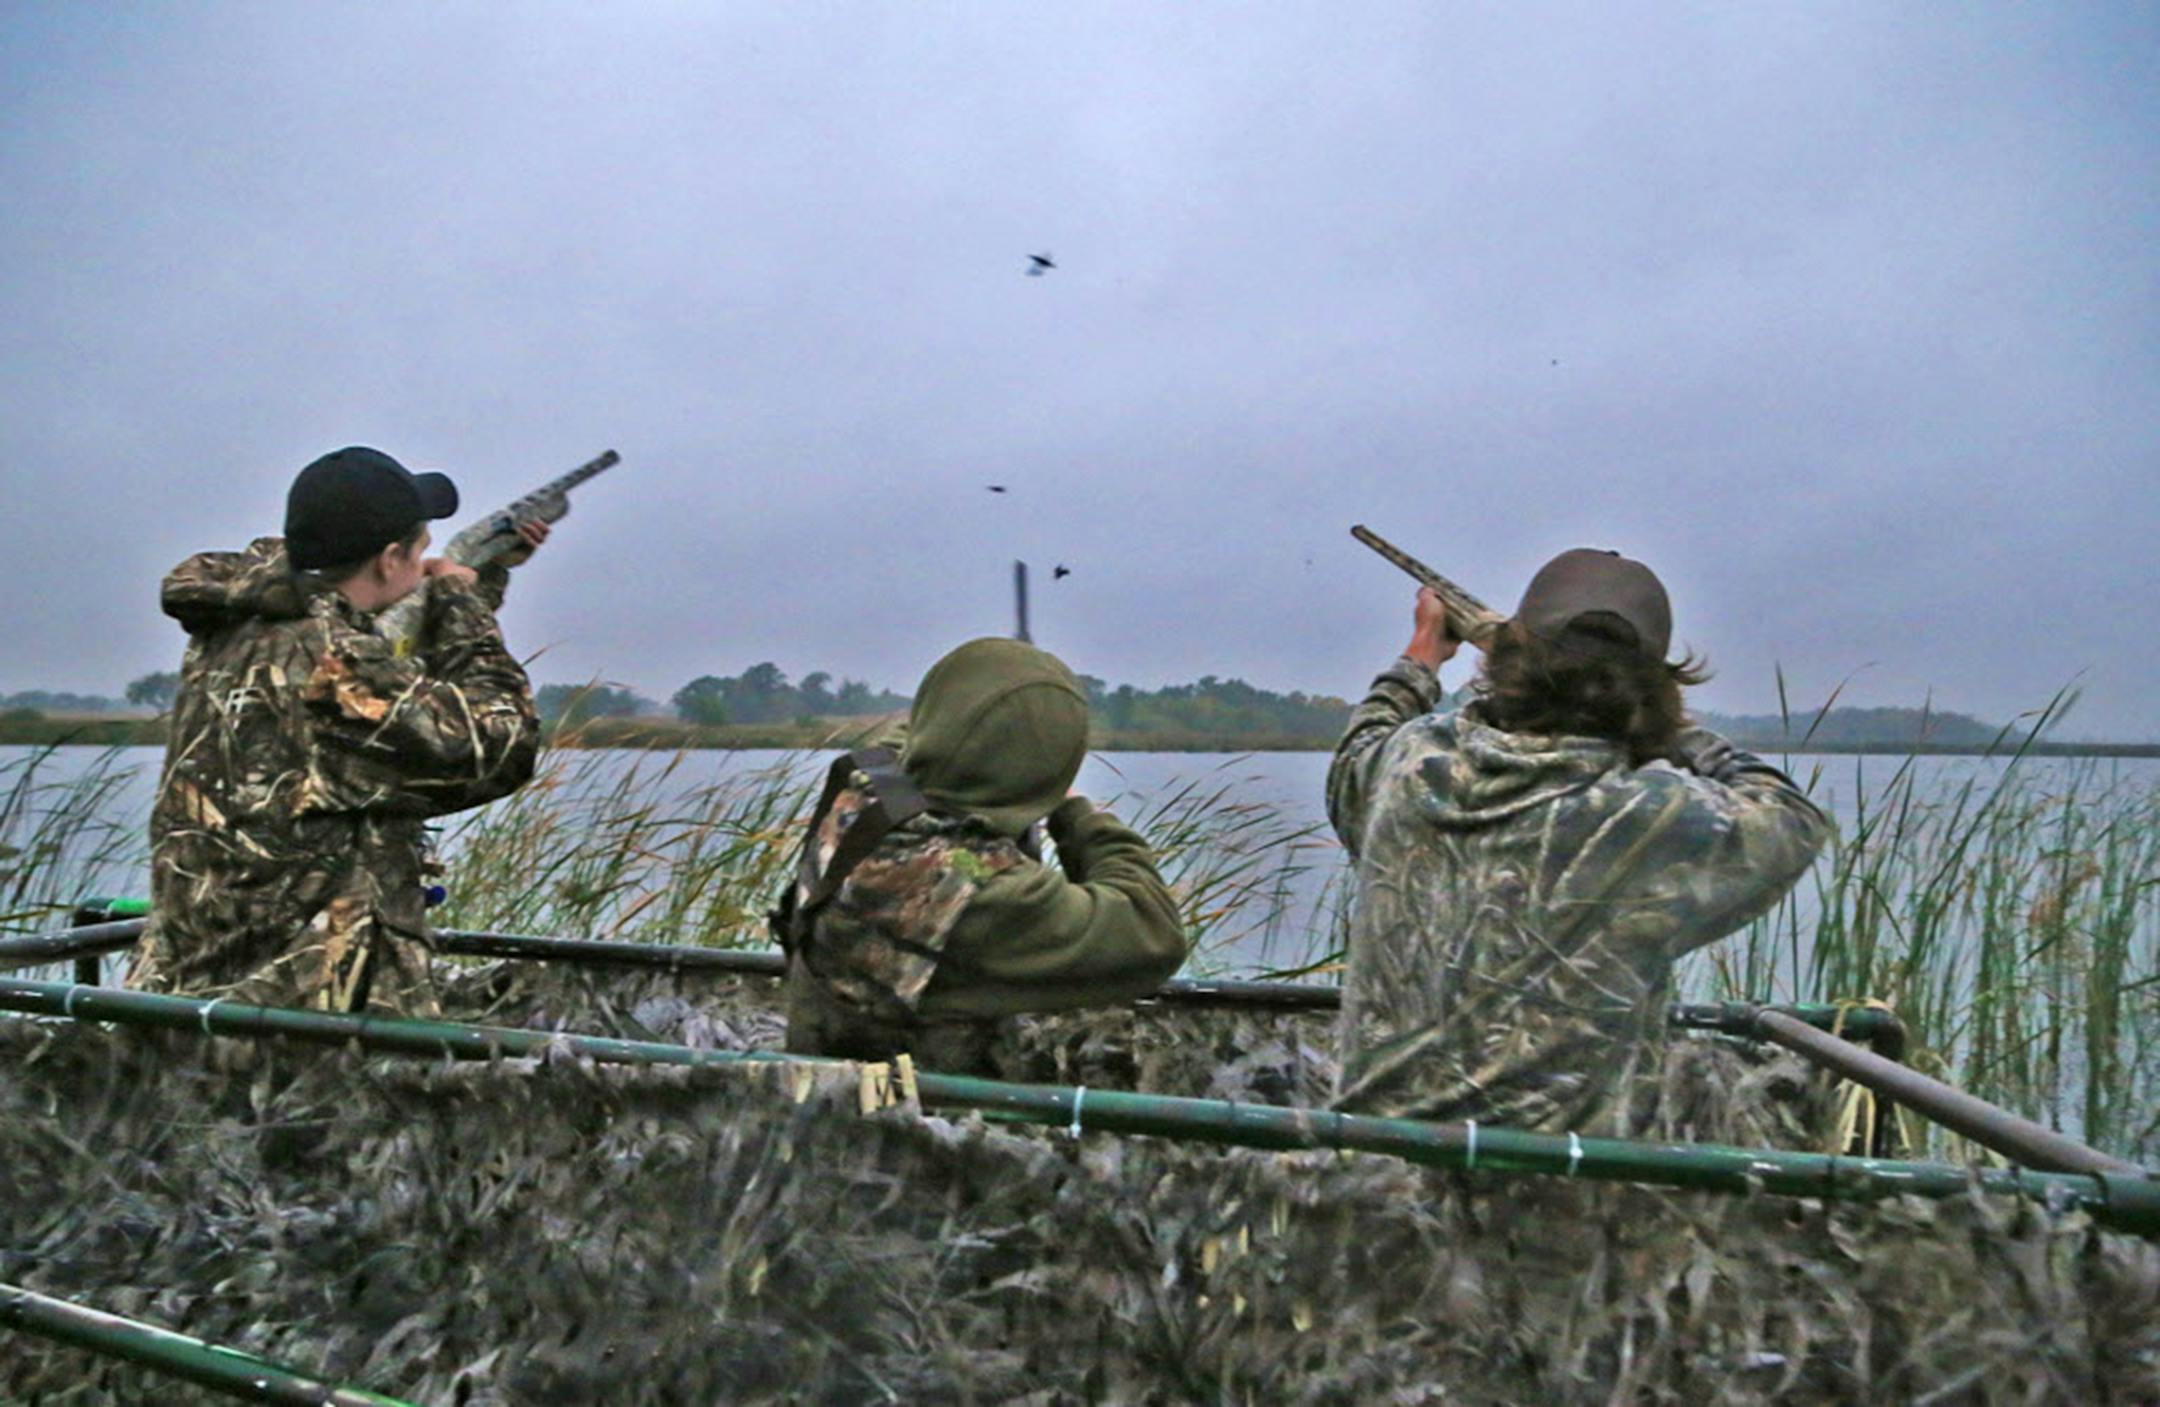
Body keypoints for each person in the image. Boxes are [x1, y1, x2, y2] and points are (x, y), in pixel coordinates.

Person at [1326, 548, 1830, 1134]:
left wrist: (1421, 656)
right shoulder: (1658, 817)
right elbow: (1791, 815)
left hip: (1369, 1185)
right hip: (1567, 1203)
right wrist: (1672, 731)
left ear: (1507, 664)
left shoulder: (1407, 767)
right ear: (1655, 689)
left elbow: (1357, 752)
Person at [127, 446, 544, 1014]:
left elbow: (395, 675)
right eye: (420, 551)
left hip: (195, 986)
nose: (427, 565)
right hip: (300, 1017)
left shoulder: (239, 625)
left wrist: (488, 570)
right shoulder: (339, 670)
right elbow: (501, 744)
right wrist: (459, 598)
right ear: (388, 558)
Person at [776, 637, 1188, 1073]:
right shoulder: (981, 890)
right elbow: (1153, 930)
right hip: (921, 1128)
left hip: (821, 1086)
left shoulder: (868, 785)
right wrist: (1070, 808)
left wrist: (996, 685)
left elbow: (921, 739)